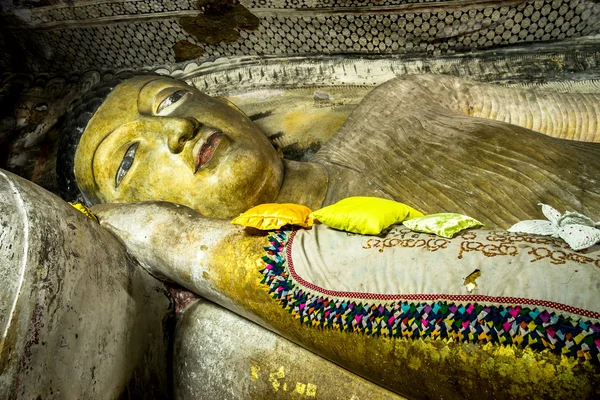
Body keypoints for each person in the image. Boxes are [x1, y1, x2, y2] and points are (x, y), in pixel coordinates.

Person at [57, 72, 600, 229]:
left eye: (172, 100)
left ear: (227, 105)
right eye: (126, 160)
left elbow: (585, 114)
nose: (174, 131)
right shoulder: (283, 307)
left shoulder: (402, 104)